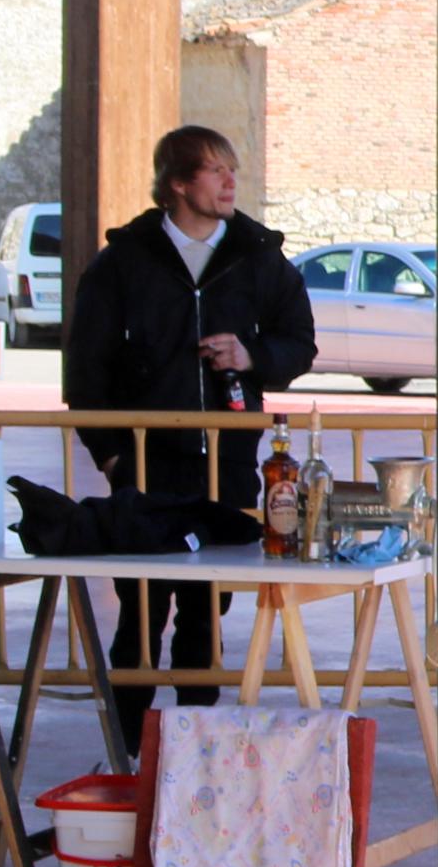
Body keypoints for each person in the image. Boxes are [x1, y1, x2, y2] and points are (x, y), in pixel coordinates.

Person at [58, 125, 317, 704]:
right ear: (177, 183)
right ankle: (129, 756)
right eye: (214, 170)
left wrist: (251, 355)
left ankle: (191, 765)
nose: (230, 182)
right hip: (145, 473)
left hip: (225, 469)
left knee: (206, 620)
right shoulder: (121, 262)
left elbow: (299, 343)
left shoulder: (261, 259)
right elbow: (86, 372)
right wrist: (112, 456)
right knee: (140, 617)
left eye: (233, 170)